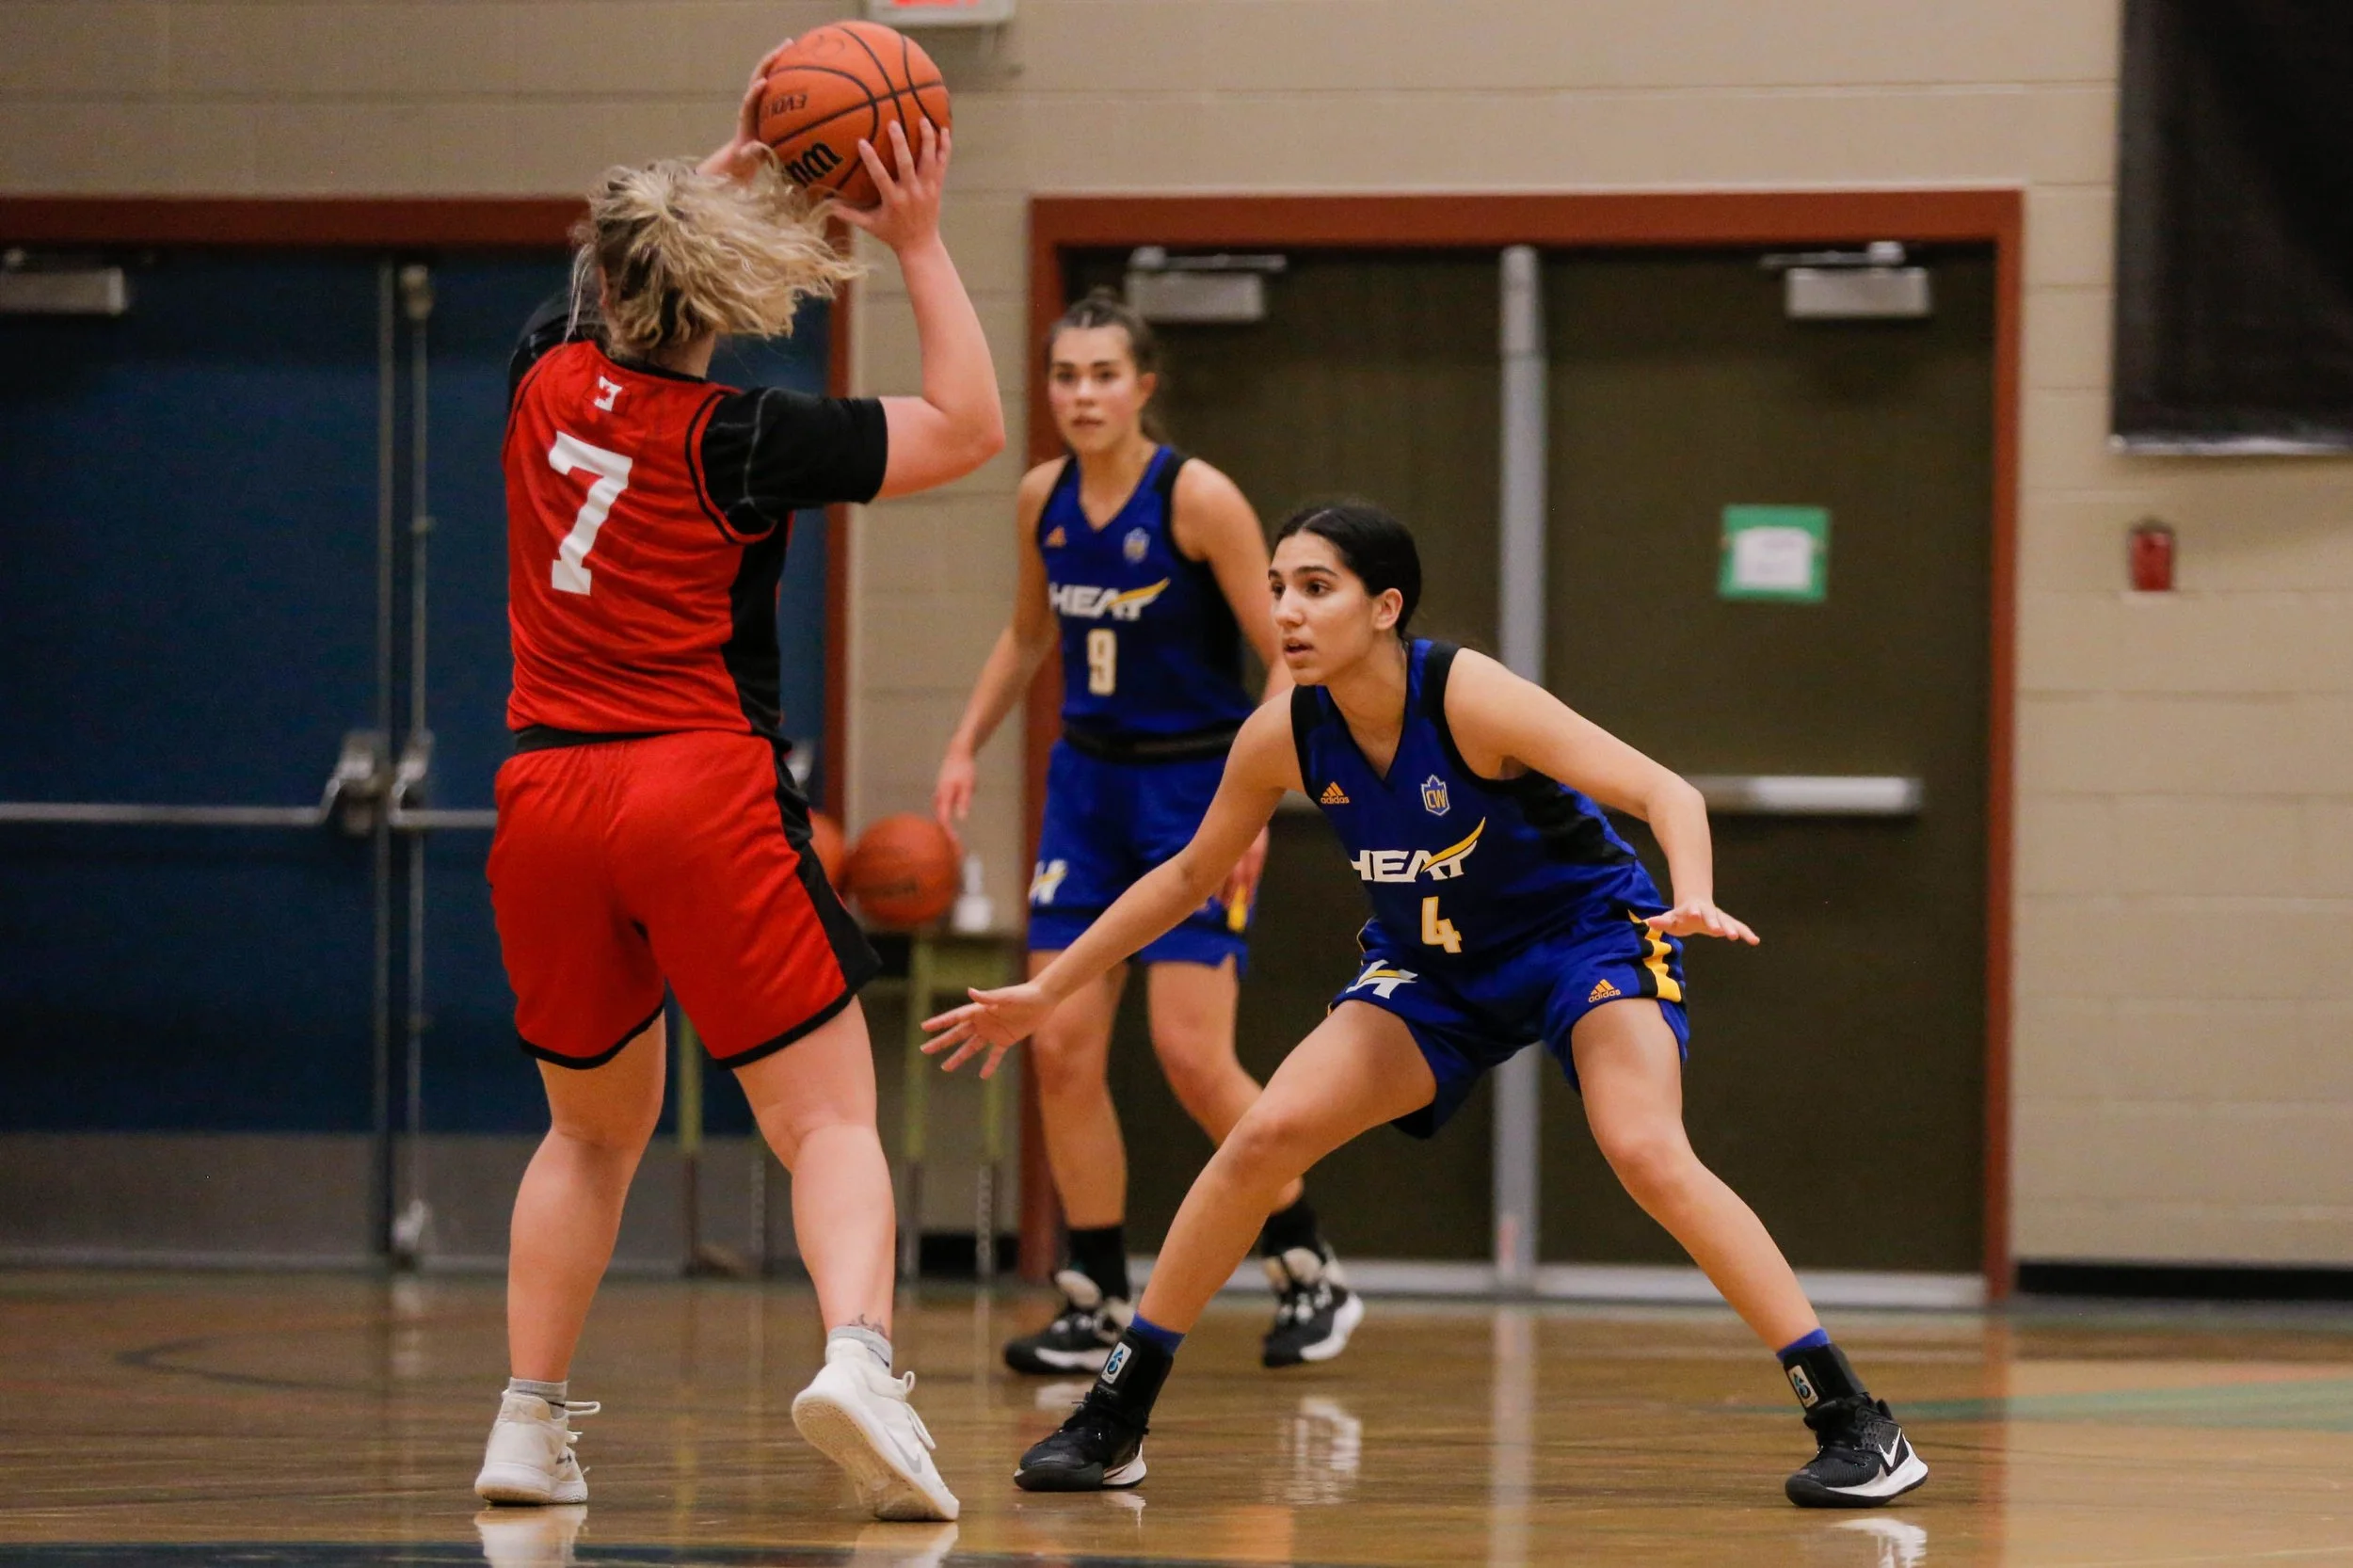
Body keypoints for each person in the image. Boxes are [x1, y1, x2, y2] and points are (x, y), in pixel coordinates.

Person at [925, 503, 1929, 1509]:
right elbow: (1190, 875)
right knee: (1263, 1134)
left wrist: (1694, 890)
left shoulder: (1468, 696)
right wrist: (1048, 988)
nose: (1286, 610)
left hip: (1577, 939)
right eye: (1276, 587)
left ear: (1384, 607)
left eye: (1316, 588)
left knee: (1644, 1149)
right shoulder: (1283, 731)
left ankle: (1855, 1421)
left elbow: (1668, 793)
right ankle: (1114, 1416)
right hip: (1436, 967)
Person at [474, 48, 1001, 1523]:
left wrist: (733, 160)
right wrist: (917, 236)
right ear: (726, 298)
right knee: (830, 1120)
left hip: (543, 801)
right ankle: (859, 1356)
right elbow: (967, 424)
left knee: (586, 1131)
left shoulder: (537, 376)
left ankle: (526, 1421)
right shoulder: (739, 437)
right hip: (692, 786)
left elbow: (615, 265)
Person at [931, 292, 1359, 1375]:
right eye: (1065, 376)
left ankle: (1310, 1267)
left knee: (1187, 1050)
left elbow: (1288, 649)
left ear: (1143, 386)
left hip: (1190, 788)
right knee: (1059, 1047)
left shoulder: (1199, 498)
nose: (1082, 394)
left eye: (1103, 374)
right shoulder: (1042, 498)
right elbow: (1029, 634)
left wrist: (1256, 792)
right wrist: (962, 745)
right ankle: (1094, 1301)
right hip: (1086, 788)